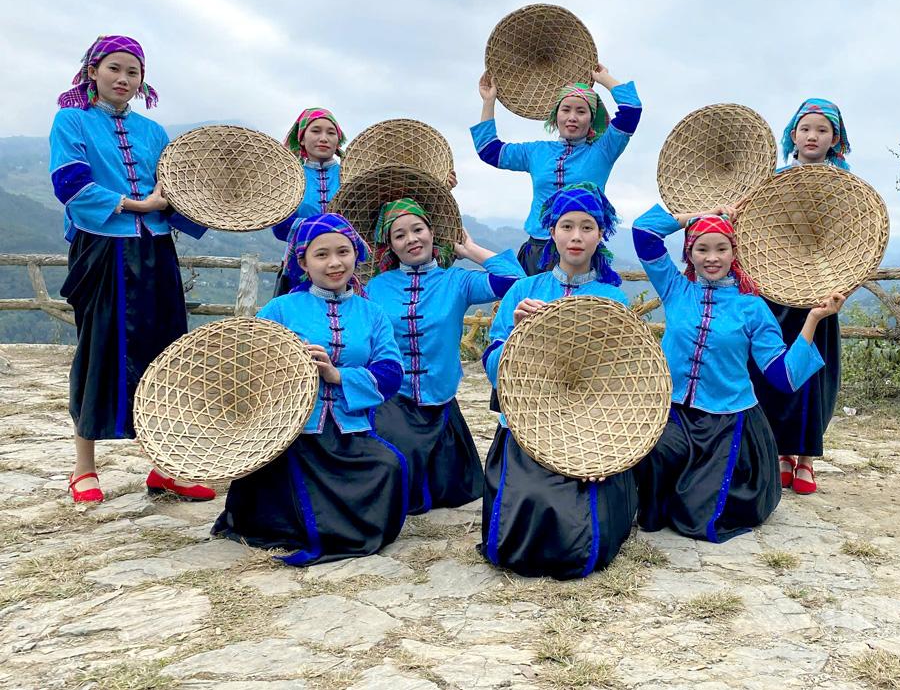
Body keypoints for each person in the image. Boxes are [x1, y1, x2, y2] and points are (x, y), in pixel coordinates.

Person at [49, 35, 213, 503]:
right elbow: (70, 183)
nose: (123, 79)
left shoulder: (153, 132)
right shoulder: (71, 120)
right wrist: (136, 204)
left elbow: (176, 188)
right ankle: (84, 469)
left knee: (166, 352)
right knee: (98, 348)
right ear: (93, 71)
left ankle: (167, 466)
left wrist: (212, 202)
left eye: (133, 72)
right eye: (114, 68)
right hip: (102, 248)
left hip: (156, 250)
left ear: (143, 81)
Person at [631, 203, 844, 542]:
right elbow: (644, 231)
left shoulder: (752, 307)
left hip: (727, 423)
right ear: (689, 253)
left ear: (734, 253)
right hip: (673, 414)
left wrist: (813, 319)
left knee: (701, 511)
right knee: (651, 457)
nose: (712, 258)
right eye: (702, 249)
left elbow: (784, 377)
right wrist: (699, 216)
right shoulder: (675, 288)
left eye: (721, 248)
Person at [212, 214, 409, 565]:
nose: (335, 263)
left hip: (349, 428)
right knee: (283, 481)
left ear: (355, 255)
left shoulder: (372, 314)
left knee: (389, 465)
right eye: (321, 255)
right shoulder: (281, 309)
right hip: (291, 431)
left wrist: (337, 375)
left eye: (343, 252)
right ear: (303, 262)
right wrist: (290, 363)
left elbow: (391, 373)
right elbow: (248, 367)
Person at [479, 183, 638, 579]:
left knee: (584, 525)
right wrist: (517, 337)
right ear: (552, 231)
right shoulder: (523, 291)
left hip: (592, 426)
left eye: (587, 227)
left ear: (601, 234)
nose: (576, 236)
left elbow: (623, 379)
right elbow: (494, 369)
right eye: (567, 226)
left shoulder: (613, 300)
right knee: (529, 502)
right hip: (528, 424)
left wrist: (610, 445)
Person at [365, 199, 523, 514]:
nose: (411, 239)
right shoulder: (375, 287)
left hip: (440, 400)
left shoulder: (457, 281)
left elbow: (514, 282)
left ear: (432, 233)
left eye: (418, 229)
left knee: (450, 492)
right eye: (399, 235)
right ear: (390, 245)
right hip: (391, 401)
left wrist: (469, 249)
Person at [750, 98, 851, 494]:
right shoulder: (774, 180)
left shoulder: (845, 185)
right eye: (806, 128)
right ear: (793, 134)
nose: (812, 136)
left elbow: (851, 238)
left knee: (812, 373)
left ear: (835, 139)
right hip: (775, 285)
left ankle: (806, 458)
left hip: (820, 290)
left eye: (822, 130)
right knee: (773, 369)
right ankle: (780, 452)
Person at [472, 65, 641, 275]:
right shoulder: (537, 152)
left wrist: (604, 78)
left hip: (580, 252)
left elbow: (631, 109)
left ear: (591, 119)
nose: (572, 117)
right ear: (555, 115)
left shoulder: (603, 150)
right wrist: (489, 101)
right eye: (566, 109)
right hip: (537, 251)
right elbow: (489, 150)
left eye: (581, 111)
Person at [270, 108, 346, 295]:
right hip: (300, 263)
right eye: (316, 131)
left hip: (346, 263)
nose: (323, 138)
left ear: (337, 141)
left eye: (331, 133)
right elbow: (279, 227)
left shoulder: (349, 175)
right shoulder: (289, 178)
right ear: (302, 139)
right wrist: (322, 227)